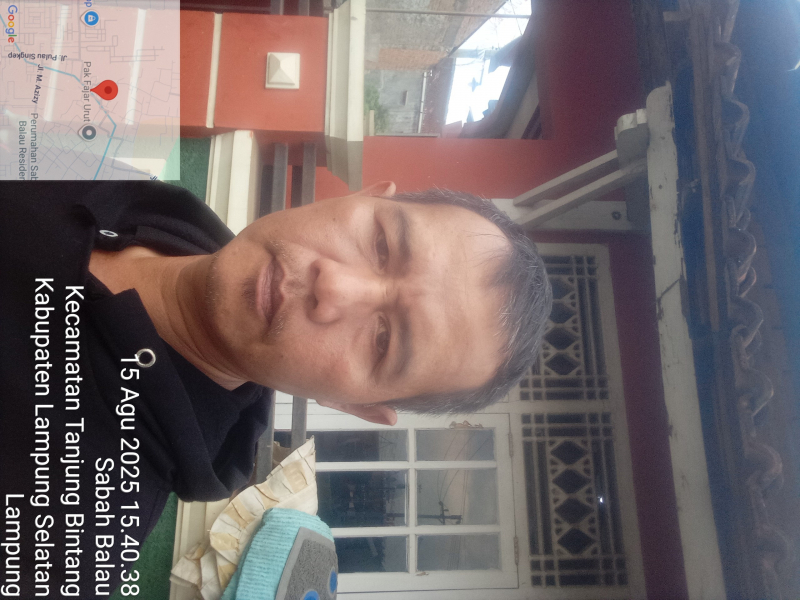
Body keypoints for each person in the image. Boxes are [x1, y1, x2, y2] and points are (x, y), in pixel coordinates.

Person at [0, 180, 551, 598]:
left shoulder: (62, 536)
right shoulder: (133, 192)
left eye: (383, 339)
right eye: (382, 242)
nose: (334, 286)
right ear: (363, 195)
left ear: (355, 406)